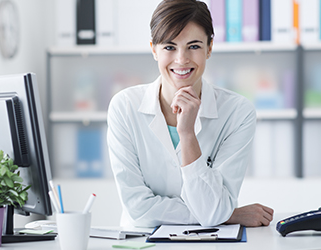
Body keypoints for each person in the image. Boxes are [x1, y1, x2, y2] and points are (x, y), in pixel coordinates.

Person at [107, 0, 274, 228]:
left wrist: (187, 134)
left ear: (210, 48)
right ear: (154, 49)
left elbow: (214, 212)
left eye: (194, 46)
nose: (181, 59)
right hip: (142, 241)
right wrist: (226, 214)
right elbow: (138, 209)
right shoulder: (124, 107)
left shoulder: (237, 112)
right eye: (169, 47)